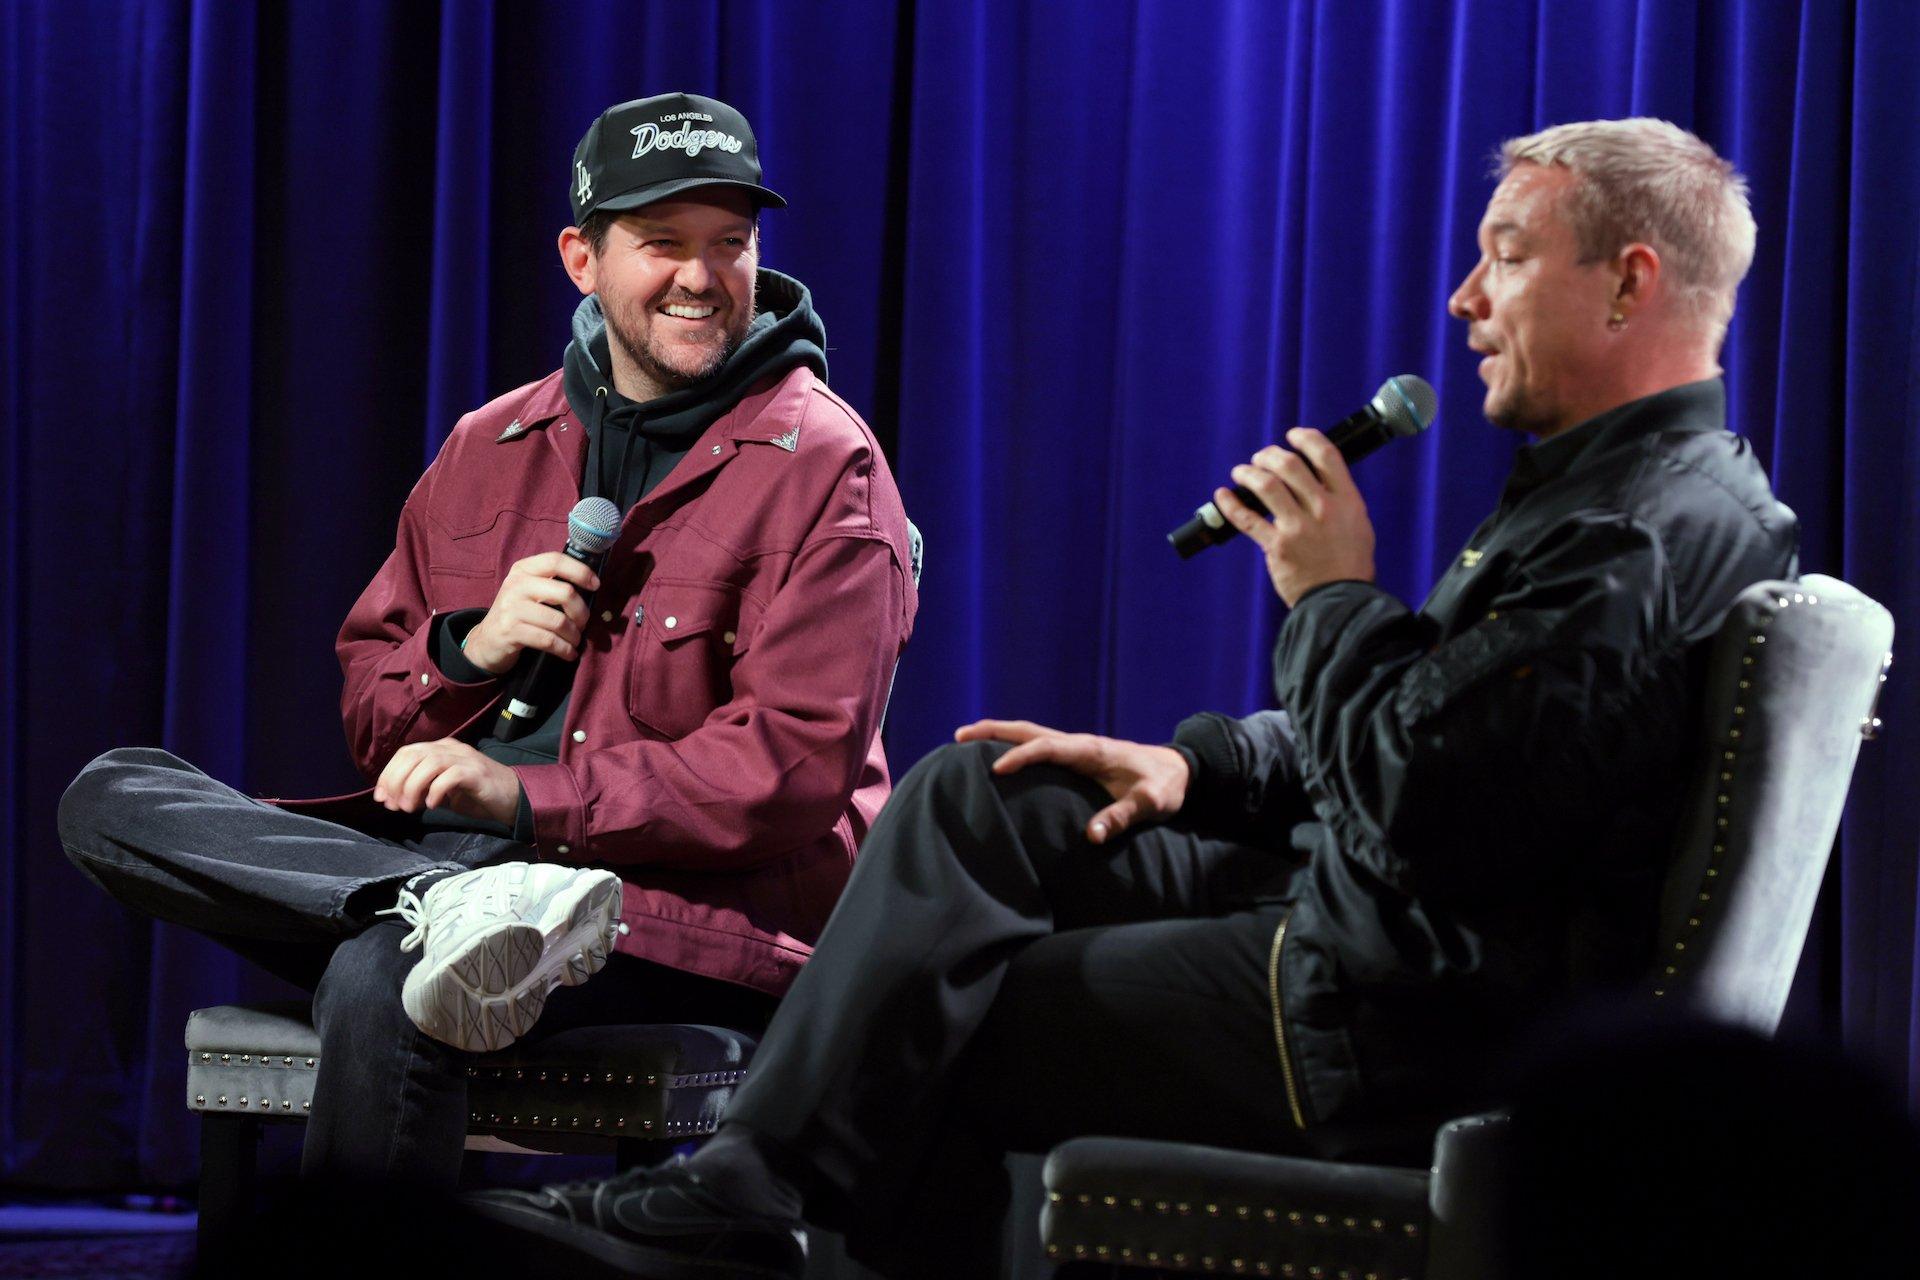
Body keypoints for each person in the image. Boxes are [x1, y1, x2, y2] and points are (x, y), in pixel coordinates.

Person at [475, 117, 1797, 1278]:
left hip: (1386, 1003)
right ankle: (746, 1183)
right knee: (980, 798)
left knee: (946, 1020)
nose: (1462, 298)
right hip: (1362, 910)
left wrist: (1328, 596)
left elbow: (1432, 801)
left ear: (1630, 284)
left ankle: (744, 1203)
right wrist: (1197, 768)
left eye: (1506, 254)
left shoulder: (1637, 532)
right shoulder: (1604, 495)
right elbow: (1450, 724)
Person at [56, 92, 917, 1189]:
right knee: (112, 793)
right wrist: (470, 647)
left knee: (385, 975)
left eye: (730, 245)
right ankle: (434, 907)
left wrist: (524, 802)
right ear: (582, 257)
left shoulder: (822, 465)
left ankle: (427, 927)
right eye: (663, 243)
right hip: (455, 871)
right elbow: (376, 709)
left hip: (674, 922)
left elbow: (790, 767)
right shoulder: (488, 444)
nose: (702, 278)